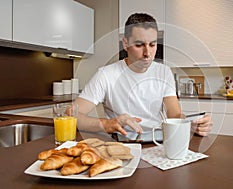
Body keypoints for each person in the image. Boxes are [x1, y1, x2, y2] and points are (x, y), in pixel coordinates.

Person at [74, 13, 212, 136]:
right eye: (139, 45)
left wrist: (189, 124)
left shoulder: (164, 72)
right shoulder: (105, 75)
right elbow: (72, 115)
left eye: (152, 45)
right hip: (123, 142)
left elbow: (174, 115)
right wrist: (107, 124)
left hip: (157, 140)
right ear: (125, 44)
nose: (147, 53)